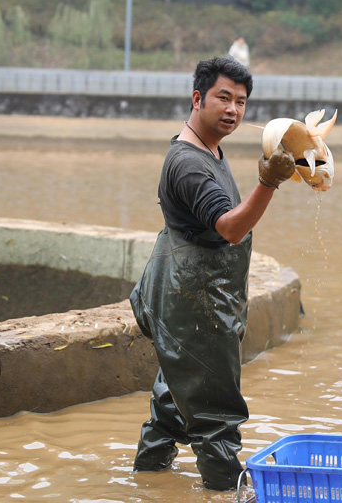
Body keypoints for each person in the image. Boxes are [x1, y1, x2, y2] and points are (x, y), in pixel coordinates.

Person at [128, 56, 296, 491]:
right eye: (223, 97)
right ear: (198, 98)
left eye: (241, 102)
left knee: (173, 403)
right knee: (215, 417)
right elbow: (231, 227)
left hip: (191, 300)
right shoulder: (189, 163)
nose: (233, 110)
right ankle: (226, 493)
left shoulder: (210, 151)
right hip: (193, 306)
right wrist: (269, 182)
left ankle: (146, 485)